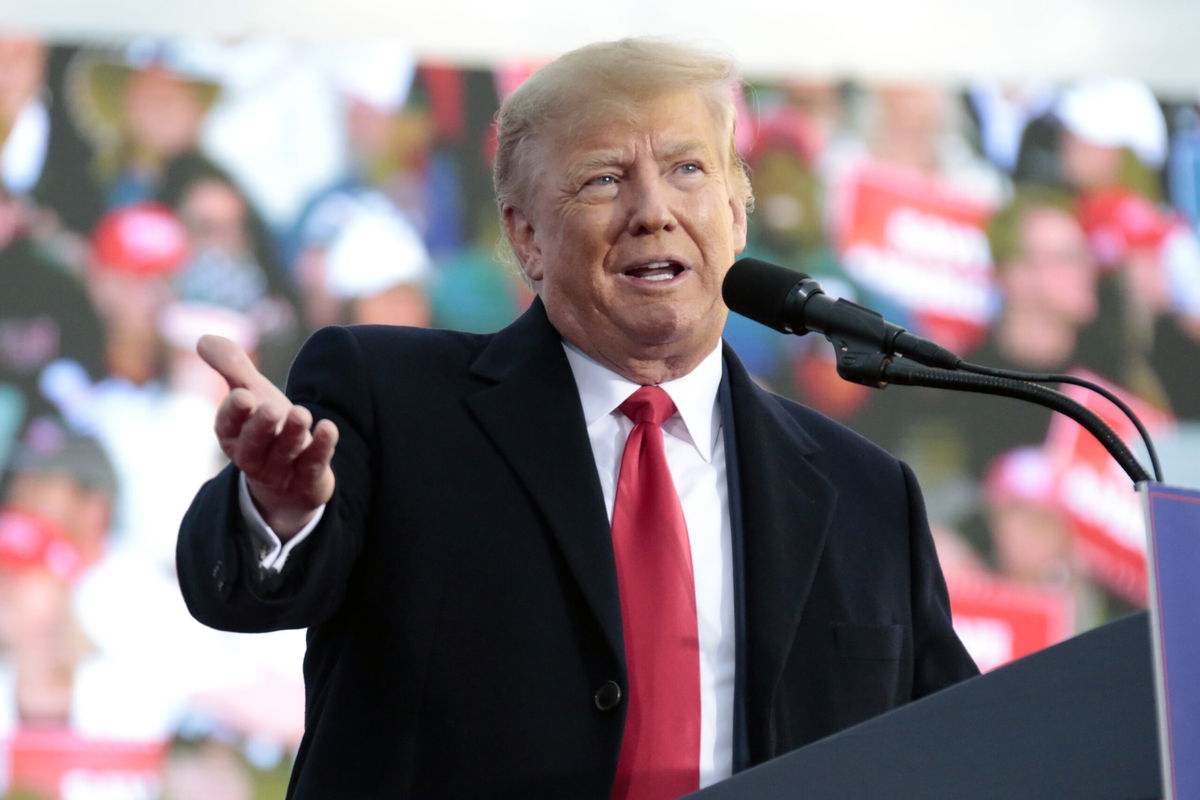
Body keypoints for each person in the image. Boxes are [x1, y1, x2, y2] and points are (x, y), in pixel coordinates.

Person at [177, 39, 977, 799]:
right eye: (603, 179)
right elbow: (245, 595)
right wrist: (279, 513)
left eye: (688, 169)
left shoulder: (868, 496)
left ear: (737, 215)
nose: (653, 210)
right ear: (526, 237)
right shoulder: (391, 400)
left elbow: (966, 752)